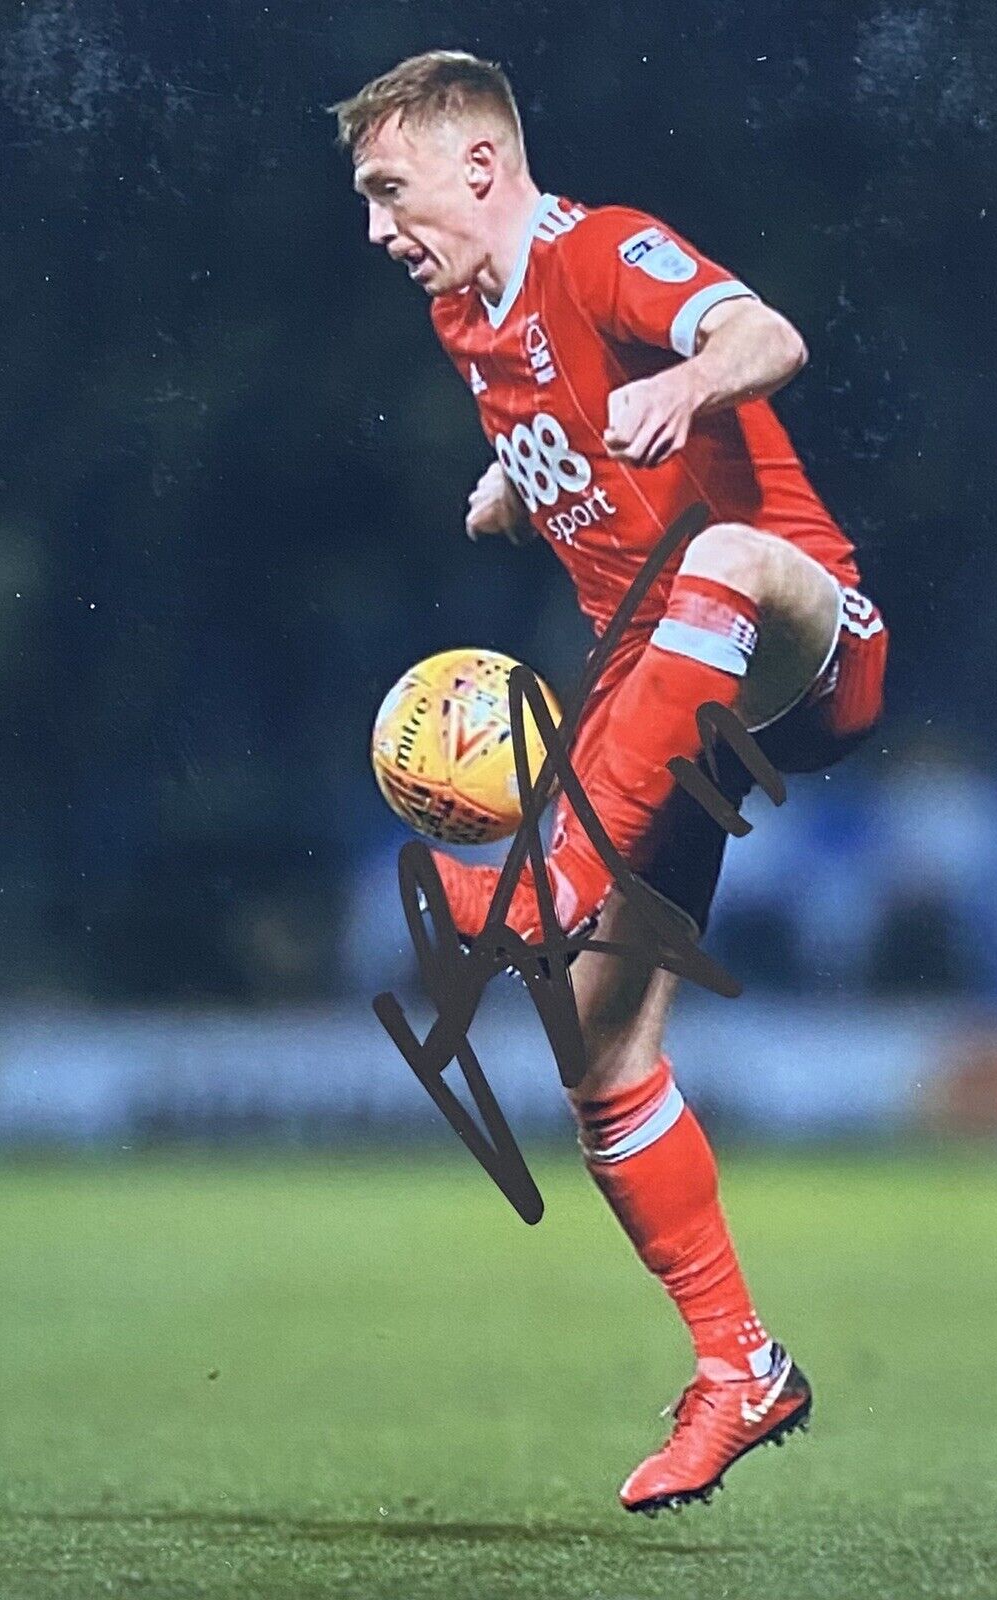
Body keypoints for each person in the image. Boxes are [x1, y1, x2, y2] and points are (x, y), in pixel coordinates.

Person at [331, 50, 888, 1515]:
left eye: (390, 191)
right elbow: (563, 413)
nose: (379, 227)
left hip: (801, 632)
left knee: (713, 555)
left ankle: (558, 865)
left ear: (476, 165)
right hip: (668, 698)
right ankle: (739, 1369)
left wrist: (692, 378)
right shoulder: (464, 313)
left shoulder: (599, 250)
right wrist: (524, 476)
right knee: (600, 1063)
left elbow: (759, 333)